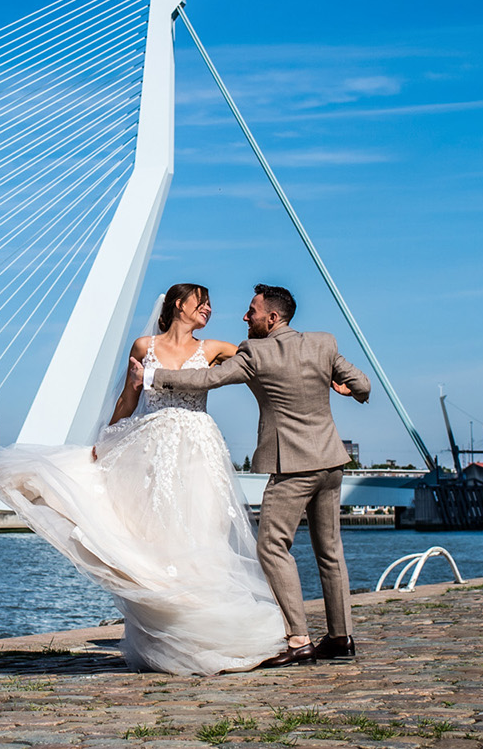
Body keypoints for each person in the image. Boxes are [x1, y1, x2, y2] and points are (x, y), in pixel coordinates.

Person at [0, 283, 286, 675]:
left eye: (210, 304)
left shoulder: (215, 350)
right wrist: (104, 439)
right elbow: (129, 397)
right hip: (150, 449)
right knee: (156, 538)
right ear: (179, 305)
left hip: (198, 450)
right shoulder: (144, 347)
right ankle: (168, 640)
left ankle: (214, 634)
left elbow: (268, 359)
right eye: (202, 302)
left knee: (203, 533)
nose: (209, 309)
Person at [131, 283, 370, 667]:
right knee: (330, 552)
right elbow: (362, 384)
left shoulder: (255, 353)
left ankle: (298, 639)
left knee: (272, 547)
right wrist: (345, 388)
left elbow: (206, 380)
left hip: (292, 467)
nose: (246, 317)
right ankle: (341, 638)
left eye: (252, 312)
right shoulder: (323, 343)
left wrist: (155, 377)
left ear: (272, 318)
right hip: (331, 462)